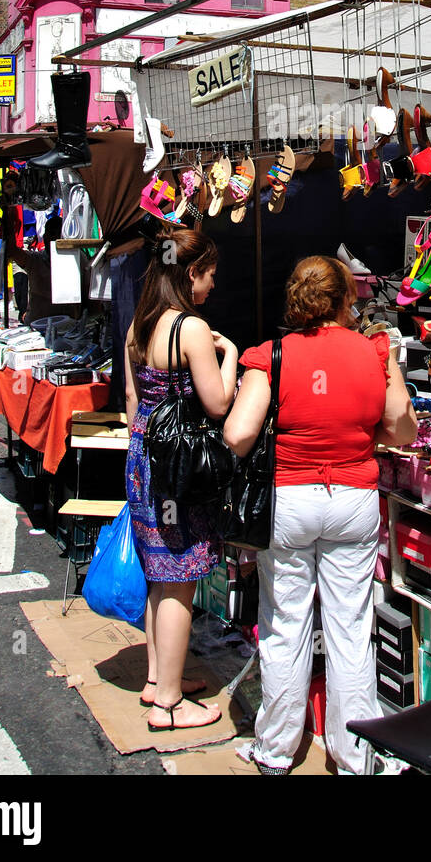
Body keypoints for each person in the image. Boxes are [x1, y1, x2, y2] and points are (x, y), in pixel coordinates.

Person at [225, 255, 417, 775]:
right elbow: (403, 430)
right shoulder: (377, 352)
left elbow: (238, 435)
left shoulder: (273, 356)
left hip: (289, 502)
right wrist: (364, 435)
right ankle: (356, 754)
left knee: (286, 624)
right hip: (352, 498)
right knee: (350, 627)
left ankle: (275, 749)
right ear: (345, 299)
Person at [124, 227, 238, 732]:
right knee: (179, 581)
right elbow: (218, 404)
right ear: (190, 272)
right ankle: (169, 704)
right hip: (178, 470)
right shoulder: (191, 328)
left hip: (143, 458)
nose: (212, 286)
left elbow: (131, 406)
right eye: (209, 276)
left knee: (159, 573)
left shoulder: (138, 326)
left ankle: (156, 679)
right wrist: (230, 355)